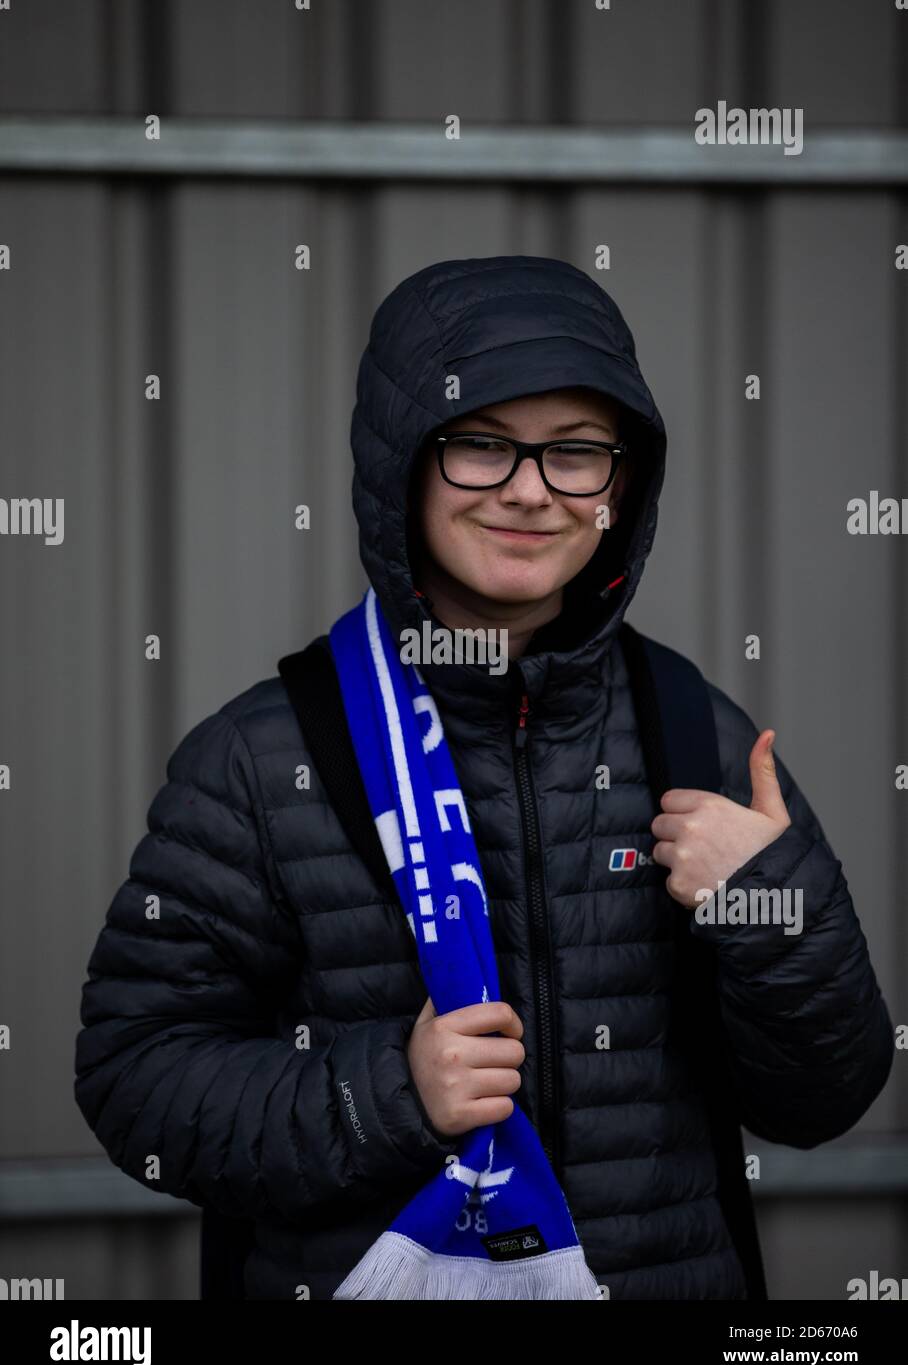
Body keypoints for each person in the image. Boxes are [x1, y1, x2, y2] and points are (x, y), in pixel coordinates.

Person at [74, 255, 894, 1300]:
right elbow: (134, 1084)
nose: (528, 490)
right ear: (402, 468)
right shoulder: (262, 755)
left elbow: (822, 1100)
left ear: (622, 483)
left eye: (575, 453)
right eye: (480, 445)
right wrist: (384, 1093)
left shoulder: (693, 731)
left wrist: (771, 911)